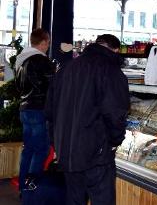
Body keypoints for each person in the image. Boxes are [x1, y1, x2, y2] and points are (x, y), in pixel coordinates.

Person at [45, 34, 129, 205]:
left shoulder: (66, 68)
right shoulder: (111, 71)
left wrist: (57, 143)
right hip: (96, 153)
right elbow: (115, 113)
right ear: (115, 50)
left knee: (75, 200)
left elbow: (50, 112)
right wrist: (115, 141)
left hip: (67, 151)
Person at [15, 28, 55, 192]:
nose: (48, 46)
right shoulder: (41, 60)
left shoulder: (21, 61)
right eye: (48, 43)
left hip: (25, 110)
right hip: (39, 109)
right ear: (44, 42)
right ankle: (31, 187)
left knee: (29, 149)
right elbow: (52, 86)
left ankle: (23, 188)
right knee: (41, 149)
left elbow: (19, 87)